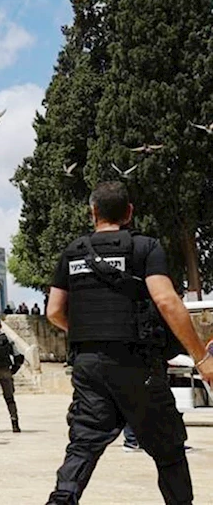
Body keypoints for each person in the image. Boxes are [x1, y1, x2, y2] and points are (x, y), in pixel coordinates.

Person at [45, 181, 213, 505]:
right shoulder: (144, 247)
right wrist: (201, 358)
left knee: (83, 443)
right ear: (129, 212)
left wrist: (88, 334)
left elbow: (54, 311)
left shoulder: (72, 252)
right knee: (169, 449)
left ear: (92, 212)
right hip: (137, 363)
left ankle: (61, 499)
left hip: (88, 364)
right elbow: (166, 301)